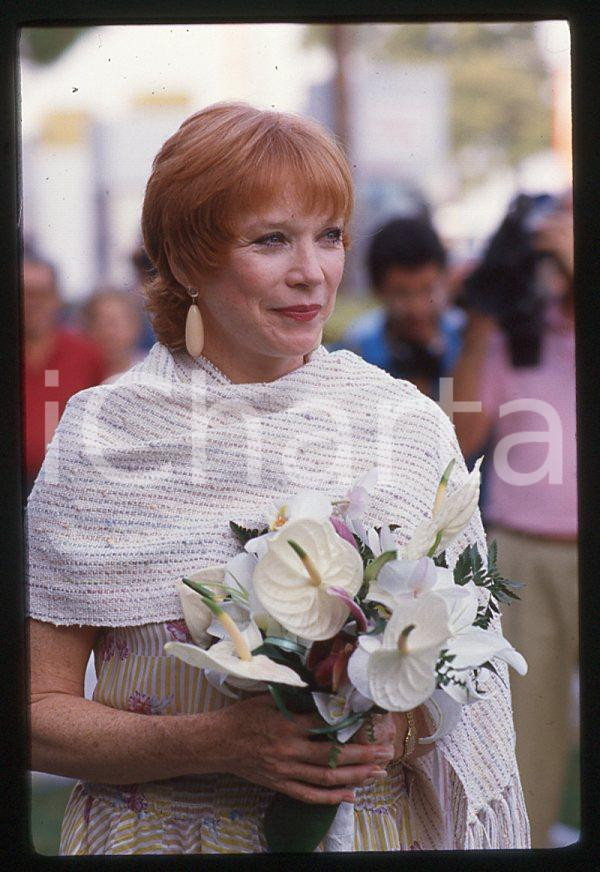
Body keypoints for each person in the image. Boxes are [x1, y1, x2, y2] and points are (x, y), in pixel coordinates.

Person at [26, 102, 529, 855]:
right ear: (189, 258)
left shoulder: (408, 423)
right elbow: (34, 711)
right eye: (271, 240)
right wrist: (216, 742)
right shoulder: (104, 436)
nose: (312, 273)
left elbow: (472, 682)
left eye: (328, 236)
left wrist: (392, 726)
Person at [451, 192, 576, 848]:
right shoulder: (512, 333)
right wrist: (479, 320)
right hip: (524, 553)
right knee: (525, 741)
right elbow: (460, 431)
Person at [342, 216, 465, 400]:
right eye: (401, 293)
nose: (417, 307)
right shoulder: (358, 349)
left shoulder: (464, 337)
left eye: (427, 289)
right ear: (378, 289)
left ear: (444, 279)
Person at [22, 254, 108, 495]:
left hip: (70, 488)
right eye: (25, 294)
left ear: (57, 298)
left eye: (42, 294)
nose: (33, 303)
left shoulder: (86, 354)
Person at [81, 287, 146, 383]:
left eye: (114, 323)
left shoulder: (150, 373)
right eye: (100, 323)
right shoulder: (76, 373)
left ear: (135, 326)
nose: (108, 332)